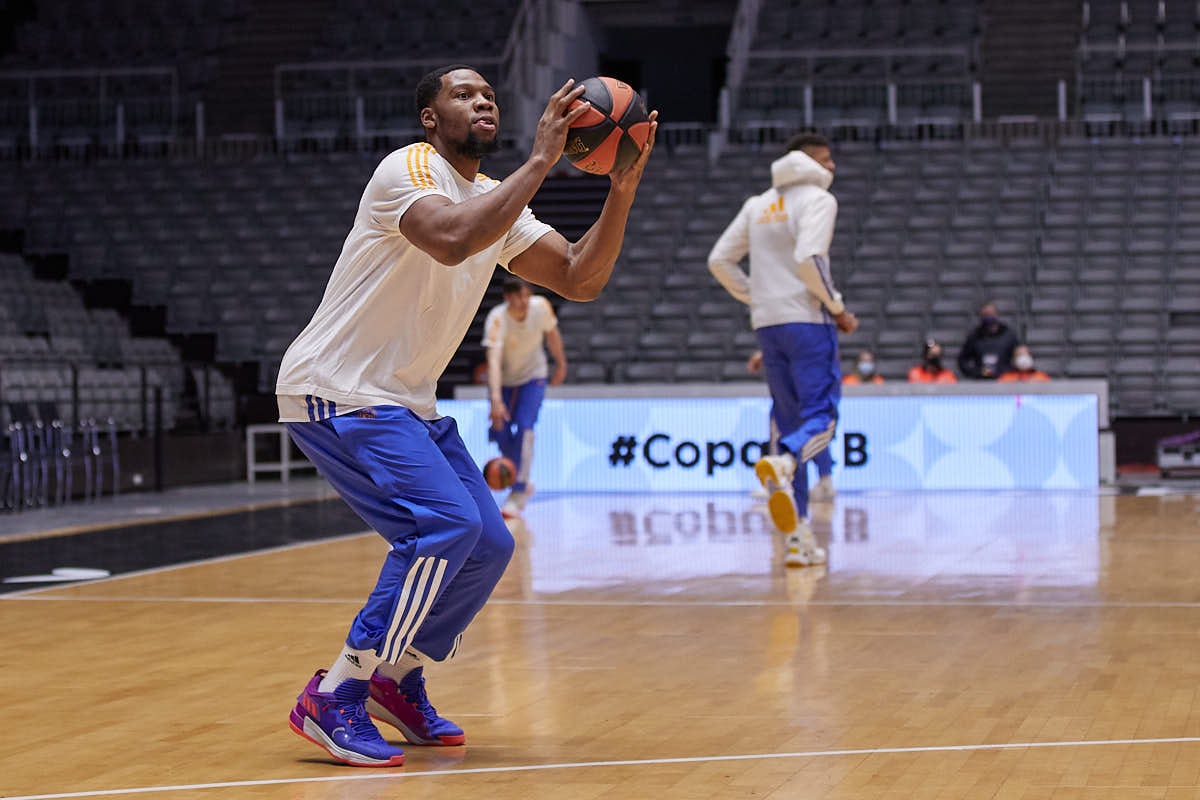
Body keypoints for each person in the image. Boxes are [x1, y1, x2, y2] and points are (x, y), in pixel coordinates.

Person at [275, 64, 656, 767]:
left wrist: (621, 190)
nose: (482, 100)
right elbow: (450, 239)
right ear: (431, 117)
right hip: (341, 388)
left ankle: (394, 678)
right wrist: (542, 161)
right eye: (463, 93)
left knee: (489, 544)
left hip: (406, 401)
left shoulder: (493, 198)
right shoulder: (409, 169)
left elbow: (579, 277)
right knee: (445, 526)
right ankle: (336, 694)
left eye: (488, 94)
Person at [709, 132, 857, 568]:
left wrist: (758, 297)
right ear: (807, 161)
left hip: (767, 325)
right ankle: (788, 460)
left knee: (788, 420)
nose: (832, 166)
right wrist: (837, 307)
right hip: (808, 321)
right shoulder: (818, 199)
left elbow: (719, 260)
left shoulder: (758, 204)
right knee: (821, 420)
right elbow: (811, 258)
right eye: (826, 158)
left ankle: (798, 539)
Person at [483, 276, 566, 518]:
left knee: (525, 428)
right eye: (519, 296)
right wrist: (495, 399)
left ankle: (518, 490)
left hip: (533, 377)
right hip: (505, 381)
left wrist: (561, 363)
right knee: (499, 429)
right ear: (507, 297)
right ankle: (519, 478)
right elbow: (493, 361)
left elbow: (553, 335)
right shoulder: (497, 318)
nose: (525, 300)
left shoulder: (540, 307)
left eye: (527, 295)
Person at [747, 349, 836, 503]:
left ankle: (777, 484)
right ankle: (824, 480)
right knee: (809, 431)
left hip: (798, 383)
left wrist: (765, 354)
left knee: (788, 428)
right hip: (806, 382)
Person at [958, 301, 1018, 380]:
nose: (988, 317)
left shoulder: (1009, 336)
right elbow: (963, 360)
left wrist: (1006, 372)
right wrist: (976, 372)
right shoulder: (974, 337)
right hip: (981, 379)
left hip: (1005, 379)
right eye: (985, 315)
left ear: (996, 314)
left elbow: (1017, 357)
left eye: (990, 314)